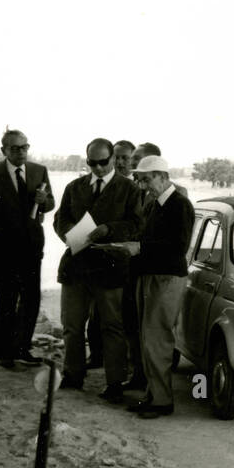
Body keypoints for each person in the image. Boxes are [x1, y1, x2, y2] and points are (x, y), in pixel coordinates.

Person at [53, 138, 144, 400]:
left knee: (111, 326)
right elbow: (61, 218)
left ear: (113, 159)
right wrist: (69, 235)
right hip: (77, 265)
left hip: (110, 266)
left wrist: (109, 230)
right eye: (92, 163)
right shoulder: (74, 187)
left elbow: (137, 224)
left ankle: (114, 383)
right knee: (71, 324)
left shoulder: (128, 189)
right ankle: (72, 375)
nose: (98, 168)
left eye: (103, 162)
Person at [0, 130, 55, 368]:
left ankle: (22, 348)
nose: (21, 152)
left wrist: (44, 200)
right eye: (15, 148)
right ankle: (2, 352)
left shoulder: (39, 171)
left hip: (32, 247)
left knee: (30, 299)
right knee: (6, 300)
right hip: (3, 249)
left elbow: (50, 203)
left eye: (25, 147)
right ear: (3, 150)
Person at [117, 155, 194, 419]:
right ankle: (153, 395)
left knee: (157, 339)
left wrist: (140, 248)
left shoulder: (179, 205)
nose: (143, 185)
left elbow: (178, 248)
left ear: (162, 176)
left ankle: (161, 400)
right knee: (149, 339)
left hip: (166, 279)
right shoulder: (156, 204)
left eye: (147, 179)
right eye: (140, 179)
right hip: (152, 277)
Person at [85, 140, 136, 370]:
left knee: (124, 315)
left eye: (128, 158)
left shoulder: (137, 186)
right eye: (120, 157)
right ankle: (97, 355)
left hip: (131, 260)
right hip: (102, 259)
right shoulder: (101, 184)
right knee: (97, 312)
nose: (124, 162)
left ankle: (126, 363)